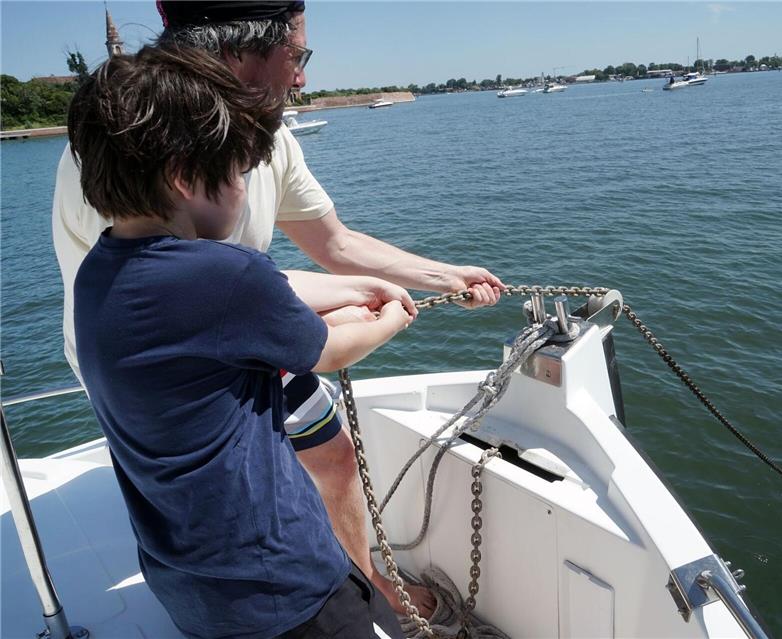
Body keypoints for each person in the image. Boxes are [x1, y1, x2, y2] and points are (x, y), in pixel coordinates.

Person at [52, 0, 505, 616]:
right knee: (214, 501)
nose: (302, 77)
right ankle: (283, 602)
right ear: (237, 53)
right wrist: (372, 314)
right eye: (295, 54)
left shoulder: (271, 137)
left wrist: (444, 276)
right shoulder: (125, 147)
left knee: (333, 458)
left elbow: (331, 245)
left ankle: (363, 585)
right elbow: (168, 301)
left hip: (243, 324)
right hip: (152, 371)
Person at [69, 45, 408, 639]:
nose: (244, 188)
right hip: (285, 582)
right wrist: (393, 315)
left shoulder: (98, 273)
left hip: (188, 585)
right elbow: (327, 351)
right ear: (183, 177)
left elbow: (238, 325)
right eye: (236, 172)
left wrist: (355, 293)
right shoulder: (227, 274)